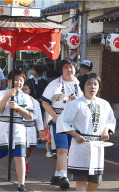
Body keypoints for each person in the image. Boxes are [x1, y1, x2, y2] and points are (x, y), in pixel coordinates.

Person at [56, 73, 116, 192]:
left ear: (99, 86)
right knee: (81, 180)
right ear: (83, 86)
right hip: (81, 146)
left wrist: (106, 129)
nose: (92, 87)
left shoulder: (104, 104)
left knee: (95, 182)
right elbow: (63, 121)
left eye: (95, 84)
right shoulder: (75, 104)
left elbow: (111, 120)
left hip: (97, 146)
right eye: (89, 84)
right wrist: (75, 135)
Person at [0, 69, 34, 192]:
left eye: (21, 80)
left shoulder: (26, 97)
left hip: (18, 128)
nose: (18, 82)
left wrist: (18, 108)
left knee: (20, 156)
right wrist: (7, 96)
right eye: (16, 79)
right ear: (9, 81)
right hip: (3, 127)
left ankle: (21, 185)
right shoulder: (0, 94)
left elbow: (30, 116)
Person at [41, 58, 83, 189]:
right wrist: (54, 116)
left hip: (75, 121)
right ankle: (64, 177)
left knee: (68, 150)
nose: (69, 70)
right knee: (62, 149)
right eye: (66, 67)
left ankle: (57, 175)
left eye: (71, 67)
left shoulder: (80, 84)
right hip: (59, 119)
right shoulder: (54, 84)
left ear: (75, 69)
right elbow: (45, 102)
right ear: (62, 70)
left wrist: (77, 101)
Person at [22, 81, 44, 177]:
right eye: (22, 89)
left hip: (31, 127)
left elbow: (38, 116)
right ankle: (22, 166)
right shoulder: (16, 100)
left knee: (29, 148)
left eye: (25, 89)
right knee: (21, 147)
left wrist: (40, 129)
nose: (23, 91)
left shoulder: (35, 102)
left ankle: (26, 162)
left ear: (29, 90)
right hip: (21, 126)